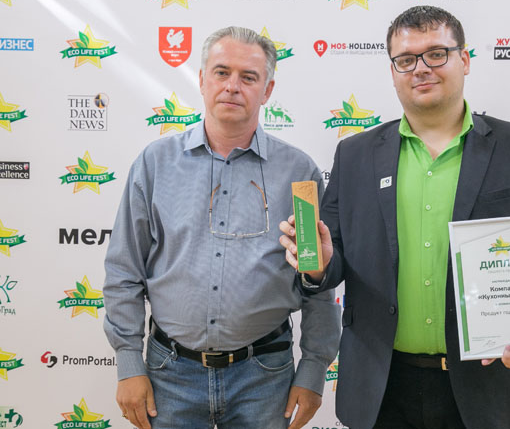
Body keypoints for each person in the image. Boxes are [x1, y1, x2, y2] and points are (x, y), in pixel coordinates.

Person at [280, 6, 510, 429]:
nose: (421, 68)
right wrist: (321, 264)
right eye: (406, 59)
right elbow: (334, 260)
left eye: (436, 53)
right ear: (393, 71)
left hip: (487, 382)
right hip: (381, 386)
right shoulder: (355, 154)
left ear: (464, 59)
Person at [103, 26, 340, 429]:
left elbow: (317, 279)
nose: (233, 86)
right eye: (221, 72)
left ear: (267, 90)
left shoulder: (299, 173)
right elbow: (124, 271)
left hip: (264, 377)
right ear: (201, 79)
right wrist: (128, 362)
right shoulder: (155, 164)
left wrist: (314, 369)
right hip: (169, 374)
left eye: (248, 77)